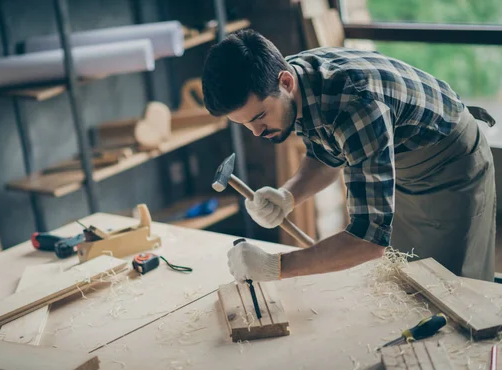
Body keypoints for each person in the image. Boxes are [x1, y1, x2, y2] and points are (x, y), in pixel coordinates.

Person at [201, 29, 497, 283]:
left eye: (260, 116)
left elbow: (368, 243)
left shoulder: (356, 105)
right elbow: (328, 154)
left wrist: (275, 266)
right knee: (407, 278)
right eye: (245, 123)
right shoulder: (293, 84)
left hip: (449, 163)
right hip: (402, 160)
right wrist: (288, 196)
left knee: (449, 288)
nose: (256, 132)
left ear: (286, 82)